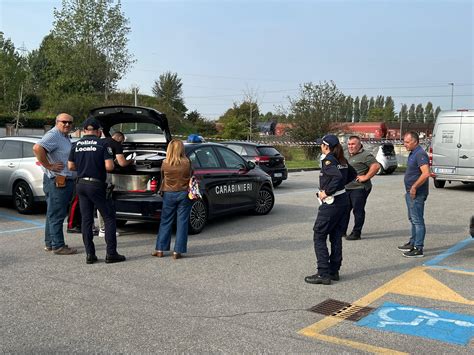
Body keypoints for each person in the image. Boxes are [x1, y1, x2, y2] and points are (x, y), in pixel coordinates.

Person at [68, 118, 126, 264]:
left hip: (80, 185)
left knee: (86, 220)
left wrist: (84, 167)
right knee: (109, 217)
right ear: (98, 131)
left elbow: (70, 166)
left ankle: (90, 254)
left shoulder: (76, 145)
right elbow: (109, 167)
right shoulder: (103, 144)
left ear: (84, 131)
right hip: (96, 185)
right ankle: (111, 253)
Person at [305, 134, 357, 285]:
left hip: (332, 203)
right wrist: (339, 188)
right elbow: (352, 174)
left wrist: (327, 192)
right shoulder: (342, 159)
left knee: (319, 235)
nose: (320, 146)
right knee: (335, 236)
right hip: (343, 201)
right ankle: (334, 271)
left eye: (321, 144)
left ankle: (323, 273)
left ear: (326, 146)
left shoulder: (329, 161)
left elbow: (337, 178)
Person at [33, 113, 77, 255]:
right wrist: (49, 166)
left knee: (52, 213)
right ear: (57, 122)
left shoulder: (64, 136)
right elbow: (37, 148)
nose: (67, 125)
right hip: (58, 181)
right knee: (57, 214)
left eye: (70, 123)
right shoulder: (54, 135)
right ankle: (58, 245)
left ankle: (50, 243)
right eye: (64, 122)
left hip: (58, 180)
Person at [152, 139, 192, 259]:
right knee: (182, 222)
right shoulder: (187, 162)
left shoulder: (165, 162)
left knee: (165, 221)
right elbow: (191, 175)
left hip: (169, 193)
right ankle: (177, 251)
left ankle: (160, 249)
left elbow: (162, 177)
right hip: (184, 193)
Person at [397, 131, 430, 258]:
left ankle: (418, 248)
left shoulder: (420, 154)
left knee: (417, 220)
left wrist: (414, 187)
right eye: (404, 141)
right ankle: (413, 242)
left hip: (417, 193)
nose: (404, 144)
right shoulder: (413, 153)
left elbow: (426, 173)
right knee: (412, 219)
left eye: (407, 142)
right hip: (410, 193)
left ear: (415, 142)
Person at [97, 131, 134, 237]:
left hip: (94, 174)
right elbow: (122, 163)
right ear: (119, 139)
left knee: (95, 201)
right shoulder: (116, 144)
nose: (121, 144)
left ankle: (96, 227)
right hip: (105, 175)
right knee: (105, 200)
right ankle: (103, 229)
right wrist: (130, 161)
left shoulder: (100, 141)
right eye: (122, 142)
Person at [343, 136, 380, 240]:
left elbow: (376, 166)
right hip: (346, 188)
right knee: (344, 210)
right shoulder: (346, 154)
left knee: (358, 211)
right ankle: (342, 231)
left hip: (359, 188)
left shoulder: (366, 155)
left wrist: (366, 177)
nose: (350, 146)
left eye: (353, 144)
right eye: (349, 144)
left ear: (359, 145)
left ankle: (356, 233)